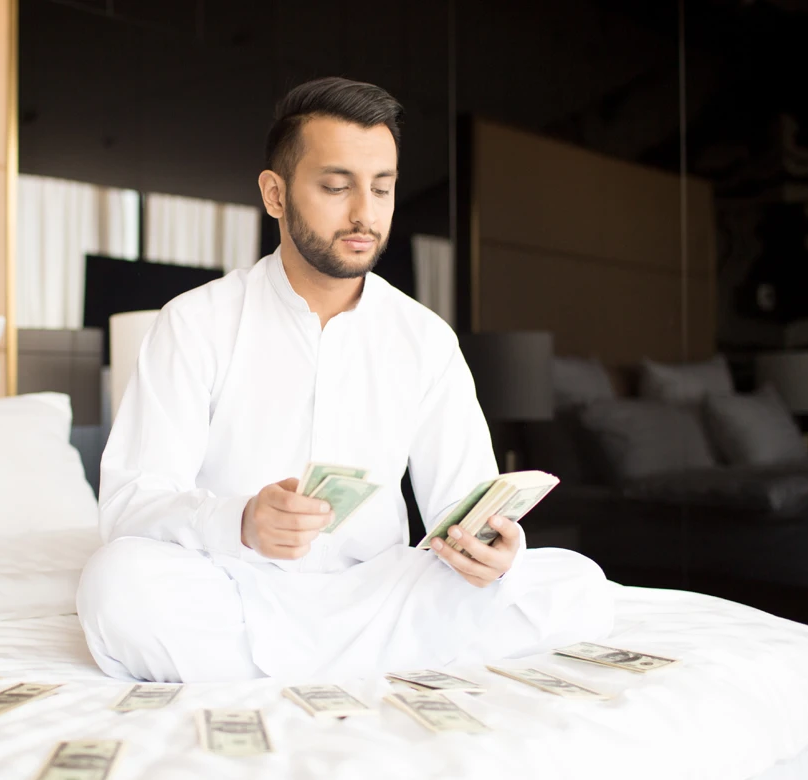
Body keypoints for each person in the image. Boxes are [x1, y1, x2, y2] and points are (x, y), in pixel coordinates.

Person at [76, 77, 613, 683]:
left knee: (576, 585)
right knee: (117, 585)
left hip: (379, 593)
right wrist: (242, 521)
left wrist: (491, 551)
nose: (364, 214)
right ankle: (373, 665)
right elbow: (129, 504)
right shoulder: (194, 323)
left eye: (381, 189)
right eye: (336, 187)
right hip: (233, 585)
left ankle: (264, 670)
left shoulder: (425, 337)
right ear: (275, 195)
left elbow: (463, 505)